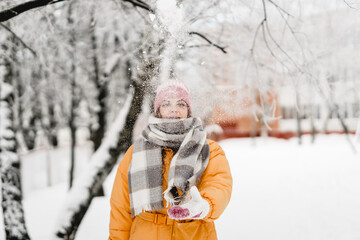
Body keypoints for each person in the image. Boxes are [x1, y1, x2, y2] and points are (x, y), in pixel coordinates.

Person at [108, 79, 232, 240]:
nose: (174, 110)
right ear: (158, 110)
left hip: (195, 233)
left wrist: (205, 205)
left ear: (188, 110)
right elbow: (121, 207)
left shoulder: (209, 148)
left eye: (181, 104)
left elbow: (219, 184)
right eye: (166, 104)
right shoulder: (136, 151)